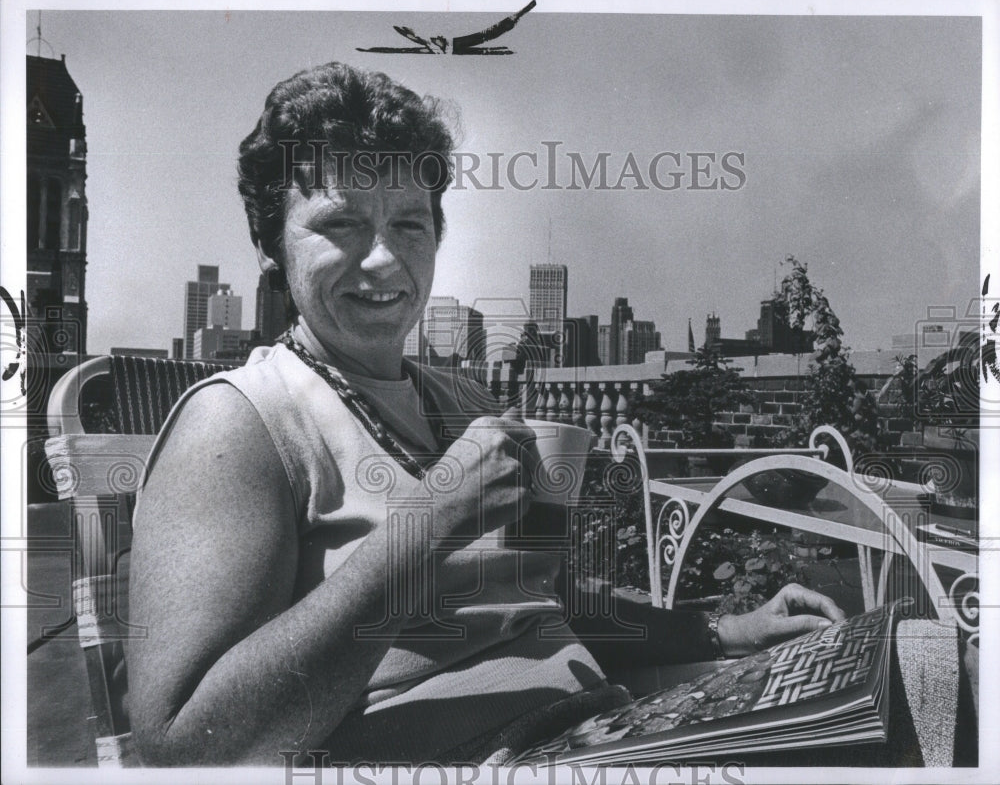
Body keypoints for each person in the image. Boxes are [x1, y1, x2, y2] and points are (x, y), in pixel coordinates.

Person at [126, 61, 845, 767]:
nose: (383, 260)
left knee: (917, 663)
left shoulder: (465, 403)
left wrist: (722, 630)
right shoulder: (238, 424)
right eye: (341, 224)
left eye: (409, 224)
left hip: (607, 729)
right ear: (269, 248)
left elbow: (547, 607)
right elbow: (184, 745)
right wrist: (429, 522)